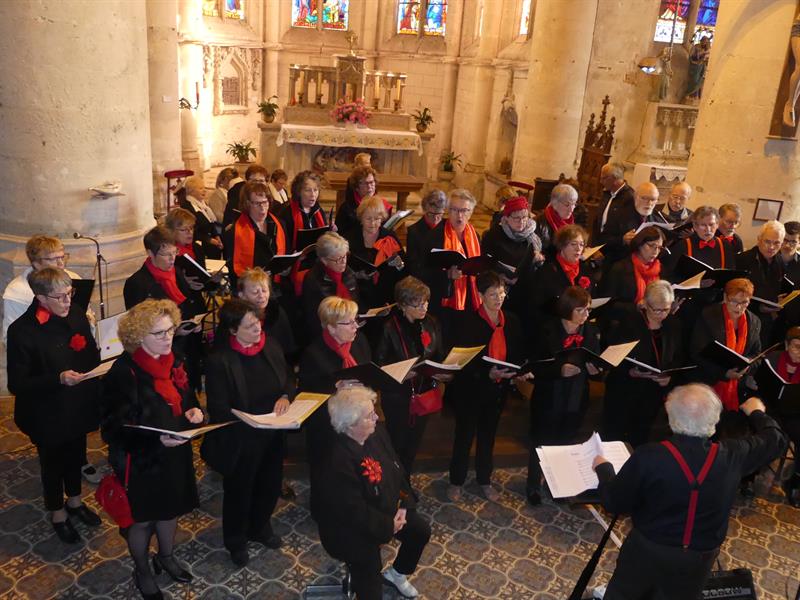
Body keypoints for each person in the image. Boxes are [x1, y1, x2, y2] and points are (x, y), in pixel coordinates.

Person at [593, 385, 786, 599]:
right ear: (714, 421)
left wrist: (604, 469)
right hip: (700, 558)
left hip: (647, 550)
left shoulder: (650, 456)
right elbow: (775, 439)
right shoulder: (733, 455)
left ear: (671, 417)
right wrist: (757, 411)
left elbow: (614, 502)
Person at [101, 299, 203, 600]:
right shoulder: (123, 373)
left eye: (170, 329)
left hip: (175, 452)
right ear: (137, 337)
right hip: (141, 460)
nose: (167, 337)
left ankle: (166, 556)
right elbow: (112, 430)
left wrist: (196, 413)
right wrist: (155, 441)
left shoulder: (176, 359)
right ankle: (143, 569)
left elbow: (188, 400)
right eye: (158, 333)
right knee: (143, 519)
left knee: (170, 508)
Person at [6, 268, 102, 543]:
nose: (68, 301)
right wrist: (57, 378)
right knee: (52, 464)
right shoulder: (22, 331)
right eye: (60, 297)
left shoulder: (74, 314)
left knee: (76, 454)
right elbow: (18, 383)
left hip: (77, 403)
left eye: (70, 294)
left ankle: (74, 501)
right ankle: (57, 512)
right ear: (40, 297)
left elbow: (89, 352)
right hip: (45, 411)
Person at [311, 385, 431, 600]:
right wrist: (388, 526)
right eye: (369, 416)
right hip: (349, 530)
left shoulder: (376, 433)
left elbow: (397, 470)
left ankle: (397, 574)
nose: (377, 417)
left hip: (386, 511)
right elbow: (353, 511)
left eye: (374, 411)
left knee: (420, 531)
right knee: (370, 586)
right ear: (350, 425)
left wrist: (405, 504)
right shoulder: (336, 461)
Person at [1, 235, 102, 484]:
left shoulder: (68, 282)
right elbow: (12, 338)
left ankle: (80, 464)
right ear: (35, 262)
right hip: (44, 372)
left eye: (62, 256)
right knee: (54, 452)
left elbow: (80, 316)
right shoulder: (17, 293)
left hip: (70, 366)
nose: (60, 263)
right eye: (53, 259)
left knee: (77, 428)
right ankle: (57, 495)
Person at [202, 298, 294, 567]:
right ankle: (236, 539)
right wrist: (247, 419)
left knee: (269, 485)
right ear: (233, 330)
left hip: (273, 433)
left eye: (258, 323)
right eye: (251, 326)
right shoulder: (219, 361)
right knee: (239, 492)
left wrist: (286, 396)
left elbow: (288, 376)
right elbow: (218, 406)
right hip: (241, 438)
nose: (258, 330)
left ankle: (260, 527)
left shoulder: (270, 345)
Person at [446, 271, 532, 502]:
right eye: (493, 294)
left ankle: (484, 480)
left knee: (488, 436)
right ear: (480, 295)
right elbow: (460, 362)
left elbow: (518, 353)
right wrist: (486, 373)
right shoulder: (469, 322)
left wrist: (519, 372)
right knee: (464, 436)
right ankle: (456, 481)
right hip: (470, 390)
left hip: (497, 390)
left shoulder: (511, 320)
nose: (498, 299)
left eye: (502, 293)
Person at [527, 286, 602, 505]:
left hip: (576, 398)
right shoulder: (546, 330)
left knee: (564, 443)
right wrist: (559, 370)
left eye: (588, 310)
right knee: (541, 443)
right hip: (549, 396)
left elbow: (596, 361)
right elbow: (535, 366)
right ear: (567, 309)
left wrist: (595, 371)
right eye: (581, 310)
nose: (586, 315)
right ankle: (533, 486)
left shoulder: (589, 332)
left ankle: (556, 486)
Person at [374, 276, 445, 478]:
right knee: (397, 444)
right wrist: (403, 373)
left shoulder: (431, 322)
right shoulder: (389, 327)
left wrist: (442, 372)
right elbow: (379, 365)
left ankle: (404, 483)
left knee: (413, 445)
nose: (424, 307)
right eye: (418, 304)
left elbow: (439, 354)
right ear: (403, 305)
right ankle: (395, 485)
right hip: (397, 395)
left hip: (423, 393)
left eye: (426, 302)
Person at [602, 280, 685, 447]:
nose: (662, 314)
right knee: (614, 437)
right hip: (624, 390)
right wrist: (630, 372)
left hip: (651, 393)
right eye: (657, 310)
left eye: (666, 309)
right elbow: (611, 355)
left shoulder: (673, 324)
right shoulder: (629, 322)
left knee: (640, 437)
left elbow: (680, 357)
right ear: (645, 304)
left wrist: (670, 376)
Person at [299, 296, 371, 463]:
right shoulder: (313, 353)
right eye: (349, 323)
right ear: (331, 327)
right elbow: (305, 392)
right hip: (327, 426)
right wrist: (334, 387)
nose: (355, 327)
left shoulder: (360, 342)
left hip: (358, 420)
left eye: (356, 320)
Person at [690, 278, 762, 440]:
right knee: (707, 435)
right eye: (734, 302)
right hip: (709, 383)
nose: (739, 307)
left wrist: (747, 368)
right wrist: (724, 373)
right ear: (725, 297)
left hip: (738, 387)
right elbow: (697, 353)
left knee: (731, 436)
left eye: (744, 302)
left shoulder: (754, 321)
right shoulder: (709, 315)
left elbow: (757, 354)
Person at [422, 189, 482, 332]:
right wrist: (447, 275)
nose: (460, 215)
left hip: (471, 299)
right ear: (448, 211)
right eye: (455, 210)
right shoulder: (435, 236)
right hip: (445, 301)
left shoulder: (475, 236)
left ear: (471, 212)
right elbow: (423, 273)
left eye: (464, 210)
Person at [480, 195, 544, 321]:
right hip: (500, 290)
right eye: (516, 218)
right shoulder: (493, 235)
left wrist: (538, 260)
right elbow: (484, 262)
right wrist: (500, 276)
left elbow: (535, 267)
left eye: (524, 217)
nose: (521, 222)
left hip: (525, 290)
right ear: (506, 218)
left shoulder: (532, 237)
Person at [222, 179, 289, 287]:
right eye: (257, 203)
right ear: (247, 203)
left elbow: (286, 254)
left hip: (275, 287)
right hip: (250, 289)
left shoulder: (279, 224)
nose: (262, 208)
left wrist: (285, 268)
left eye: (265, 202)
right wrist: (257, 275)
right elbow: (233, 267)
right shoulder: (234, 231)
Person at [760, 326, 800, 507]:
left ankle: (794, 483)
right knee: (768, 433)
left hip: (794, 414)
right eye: (796, 347)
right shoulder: (772, 359)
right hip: (771, 409)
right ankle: (750, 476)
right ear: (786, 345)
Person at [528, 224, 595, 331]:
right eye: (573, 244)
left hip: (580, 327)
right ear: (562, 246)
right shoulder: (547, 271)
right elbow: (538, 305)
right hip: (553, 328)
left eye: (582, 244)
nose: (578, 248)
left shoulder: (585, 270)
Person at [345, 195, 406, 310]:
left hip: (386, 297)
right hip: (357, 296)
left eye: (377, 219)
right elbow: (341, 268)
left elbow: (405, 270)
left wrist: (399, 265)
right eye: (368, 219)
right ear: (361, 217)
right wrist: (356, 274)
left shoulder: (389, 237)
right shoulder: (350, 238)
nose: (373, 223)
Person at [301, 231, 360, 337]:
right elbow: (315, 319)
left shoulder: (349, 273)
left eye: (345, 256)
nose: (343, 262)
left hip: (351, 326)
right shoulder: (313, 280)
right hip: (328, 333)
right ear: (324, 260)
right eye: (338, 259)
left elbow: (356, 300)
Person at [736, 220, 785, 345]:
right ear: (759, 239)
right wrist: (759, 308)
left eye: (777, 243)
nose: (772, 247)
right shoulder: (743, 259)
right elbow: (734, 292)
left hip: (768, 320)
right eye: (767, 241)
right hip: (744, 316)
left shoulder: (779, 260)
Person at [599, 182, 668, 266]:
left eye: (653, 199)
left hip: (647, 265)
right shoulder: (619, 214)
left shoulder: (658, 219)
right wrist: (622, 240)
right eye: (644, 198)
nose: (649, 203)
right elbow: (602, 241)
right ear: (635, 197)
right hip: (621, 264)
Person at [236, 267, 296, 360]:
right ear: (242, 296)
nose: (261, 296)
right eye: (255, 292)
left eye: (264, 290)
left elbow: (287, 348)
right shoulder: (234, 317)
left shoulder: (277, 312)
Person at [601, 226, 665, 310]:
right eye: (651, 245)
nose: (656, 251)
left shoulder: (660, 269)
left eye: (659, 248)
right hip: (626, 319)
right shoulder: (620, 268)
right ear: (639, 244)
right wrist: (636, 306)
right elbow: (608, 305)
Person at [336, 165, 393, 236]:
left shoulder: (384, 205)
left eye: (372, 182)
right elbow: (340, 234)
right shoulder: (347, 209)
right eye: (366, 183)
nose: (369, 187)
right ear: (356, 187)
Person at [179, 175, 223, 259]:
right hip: (200, 246)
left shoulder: (202, 204)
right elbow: (193, 231)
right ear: (191, 191)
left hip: (212, 244)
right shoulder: (187, 207)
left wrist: (217, 237)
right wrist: (210, 240)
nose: (204, 191)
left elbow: (210, 222)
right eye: (200, 188)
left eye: (204, 188)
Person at [406, 189, 447, 277]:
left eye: (439, 214)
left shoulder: (448, 228)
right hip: (423, 278)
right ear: (424, 210)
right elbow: (413, 264)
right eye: (431, 214)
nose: (435, 218)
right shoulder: (414, 231)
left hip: (446, 278)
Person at [593, 162, 634, 243]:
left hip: (615, 249)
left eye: (604, 178)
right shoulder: (606, 193)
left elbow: (625, 231)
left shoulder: (630, 198)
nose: (601, 181)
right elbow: (597, 221)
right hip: (599, 245)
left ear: (615, 179)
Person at [536, 183, 578, 253]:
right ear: (555, 203)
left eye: (573, 204)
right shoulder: (538, 223)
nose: (571, 209)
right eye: (567, 204)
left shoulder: (571, 222)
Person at [685, 36, 711, 102]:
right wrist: (700, 54)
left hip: (703, 66)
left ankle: (695, 97)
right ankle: (688, 94)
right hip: (695, 65)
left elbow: (709, 57)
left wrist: (706, 57)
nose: (705, 43)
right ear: (701, 41)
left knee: (700, 80)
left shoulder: (707, 49)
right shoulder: (696, 47)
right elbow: (691, 56)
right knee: (694, 80)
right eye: (704, 41)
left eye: (706, 42)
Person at [779, 220, 800, 285]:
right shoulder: (767, 257)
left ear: (799, 243)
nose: (787, 245)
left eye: (793, 242)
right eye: (785, 240)